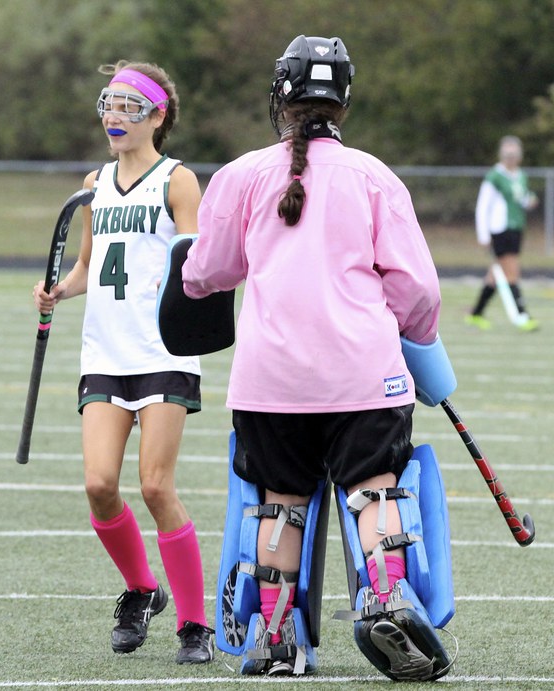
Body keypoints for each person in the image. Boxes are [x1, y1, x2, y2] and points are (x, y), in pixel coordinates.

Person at [182, 36, 453, 680]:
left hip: (270, 381)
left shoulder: (243, 175)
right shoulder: (374, 176)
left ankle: (276, 638)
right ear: (344, 100)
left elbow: (206, 273)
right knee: (372, 490)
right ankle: (385, 597)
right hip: (364, 373)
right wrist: (405, 330)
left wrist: (193, 267)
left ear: (281, 95)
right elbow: (419, 288)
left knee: (280, 502)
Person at [32, 60, 214, 664]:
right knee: (99, 484)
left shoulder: (178, 181)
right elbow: (89, 264)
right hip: (104, 351)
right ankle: (140, 589)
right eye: (108, 103)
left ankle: (194, 624)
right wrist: (59, 289)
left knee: (156, 486)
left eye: (129, 105)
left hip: (163, 349)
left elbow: (199, 260)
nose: (114, 115)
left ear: (157, 116)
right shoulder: (95, 183)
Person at [467, 135, 539, 331]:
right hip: (500, 230)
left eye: (514, 154)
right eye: (507, 154)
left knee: (495, 274)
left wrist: (529, 200)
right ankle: (522, 316)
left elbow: (521, 198)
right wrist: (483, 235)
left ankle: (476, 314)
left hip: (516, 228)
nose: (511, 158)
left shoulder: (520, 175)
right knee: (511, 272)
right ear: (502, 155)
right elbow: (483, 207)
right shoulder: (495, 177)